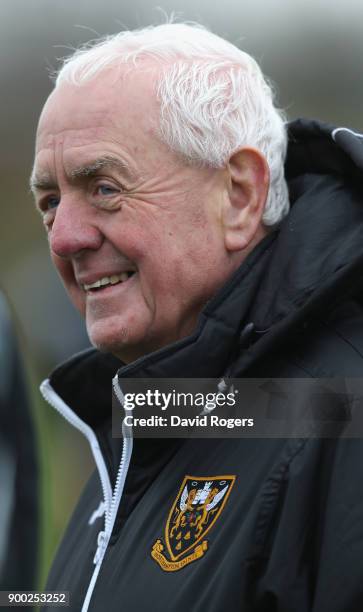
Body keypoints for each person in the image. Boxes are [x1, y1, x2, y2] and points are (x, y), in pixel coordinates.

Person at [30, 22, 363, 612]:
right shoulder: (151, 417)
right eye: (51, 202)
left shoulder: (343, 420)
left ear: (239, 195)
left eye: (104, 188)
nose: (64, 238)